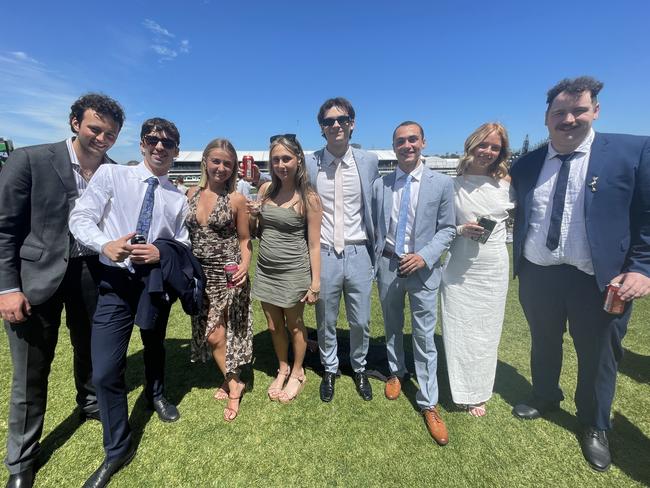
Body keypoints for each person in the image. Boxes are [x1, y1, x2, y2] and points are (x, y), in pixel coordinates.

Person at [510, 76, 650, 471]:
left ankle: (593, 424)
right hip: (539, 273)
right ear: (546, 117)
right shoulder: (526, 165)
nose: (568, 119)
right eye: (559, 112)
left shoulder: (633, 151)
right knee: (543, 341)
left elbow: (647, 218)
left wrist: (641, 268)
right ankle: (544, 396)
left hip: (600, 280)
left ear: (596, 111)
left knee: (599, 355)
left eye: (578, 110)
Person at [0, 93, 124, 488]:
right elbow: (4, 230)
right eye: (95, 128)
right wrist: (7, 288)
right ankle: (21, 460)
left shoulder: (114, 172)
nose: (102, 138)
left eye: (110, 133)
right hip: (37, 278)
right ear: (75, 122)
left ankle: (89, 403)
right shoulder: (30, 160)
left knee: (89, 347)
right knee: (31, 371)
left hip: (92, 274)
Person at [69, 118, 190, 487]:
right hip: (116, 282)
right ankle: (118, 447)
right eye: (153, 140)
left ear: (176, 152)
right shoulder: (112, 177)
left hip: (153, 282)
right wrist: (104, 244)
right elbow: (81, 216)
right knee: (105, 369)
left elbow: (182, 241)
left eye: (168, 143)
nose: (160, 147)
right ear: (141, 144)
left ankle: (156, 393)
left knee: (154, 343)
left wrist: (161, 252)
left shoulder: (177, 196)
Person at [371, 121, 455, 446]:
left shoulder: (442, 184)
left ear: (423, 142)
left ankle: (428, 402)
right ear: (394, 147)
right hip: (389, 265)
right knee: (392, 325)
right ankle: (396, 372)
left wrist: (424, 256)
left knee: (423, 336)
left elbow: (448, 228)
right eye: (400, 141)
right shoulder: (382, 185)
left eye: (412, 140)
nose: (407, 145)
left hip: (423, 268)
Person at [305, 97, 379, 402]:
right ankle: (330, 368)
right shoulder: (310, 162)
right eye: (328, 121)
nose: (335, 125)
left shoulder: (369, 161)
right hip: (324, 252)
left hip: (359, 250)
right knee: (325, 318)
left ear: (352, 124)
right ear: (321, 128)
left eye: (341, 119)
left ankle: (359, 367)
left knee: (361, 320)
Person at [440, 123, 515, 417]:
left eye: (495, 147)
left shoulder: (508, 183)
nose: (488, 152)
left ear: (501, 152)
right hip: (459, 265)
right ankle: (459, 388)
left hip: (493, 265)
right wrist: (460, 229)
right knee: (458, 327)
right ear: (471, 145)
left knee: (486, 330)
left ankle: (478, 391)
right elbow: (442, 225)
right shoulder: (453, 184)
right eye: (483, 145)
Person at [249, 134, 322, 403]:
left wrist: (315, 283)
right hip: (266, 270)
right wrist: (254, 216)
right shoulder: (265, 190)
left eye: (286, 158)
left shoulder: (309, 198)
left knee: (294, 325)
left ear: (298, 159)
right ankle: (282, 367)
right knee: (272, 325)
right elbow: (257, 233)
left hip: (294, 271)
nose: (281, 164)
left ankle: (298, 371)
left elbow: (314, 244)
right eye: (276, 159)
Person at [185, 138, 253, 422]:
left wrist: (245, 266)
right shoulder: (190, 194)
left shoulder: (235, 198)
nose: (221, 168)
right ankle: (231, 377)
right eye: (216, 161)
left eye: (227, 163)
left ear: (234, 167)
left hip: (228, 273)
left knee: (225, 331)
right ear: (205, 161)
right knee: (212, 331)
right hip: (199, 275)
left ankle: (233, 383)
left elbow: (246, 239)